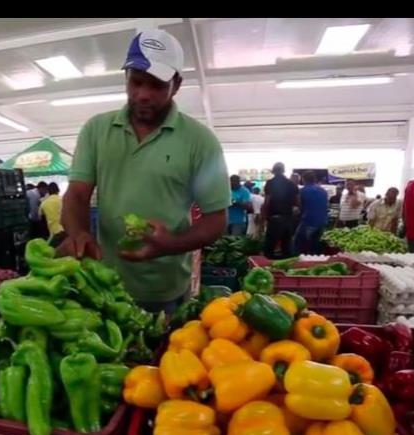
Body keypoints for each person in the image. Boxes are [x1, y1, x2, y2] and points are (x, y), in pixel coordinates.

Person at [58, 28, 229, 314]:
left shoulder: (201, 141)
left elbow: (216, 219)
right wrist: (79, 233)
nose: (143, 95)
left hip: (166, 291)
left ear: (176, 85)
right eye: (136, 82)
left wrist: (170, 245)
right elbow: (76, 194)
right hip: (104, 285)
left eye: (156, 85)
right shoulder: (96, 130)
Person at [261, 162, 299, 258]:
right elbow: (298, 203)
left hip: (274, 219)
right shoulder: (291, 184)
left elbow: (267, 202)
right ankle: (286, 268)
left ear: (273, 171)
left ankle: (269, 269)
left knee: (269, 248)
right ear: (283, 171)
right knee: (286, 247)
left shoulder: (270, 183)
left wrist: (263, 217)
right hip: (288, 218)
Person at [293, 171, 329, 254]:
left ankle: (300, 263)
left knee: (298, 245)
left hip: (308, 221)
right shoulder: (323, 191)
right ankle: (315, 261)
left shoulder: (303, 191)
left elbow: (299, 206)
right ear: (314, 179)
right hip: (322, 221)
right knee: (315, 245)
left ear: (303, 179)